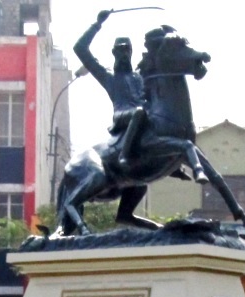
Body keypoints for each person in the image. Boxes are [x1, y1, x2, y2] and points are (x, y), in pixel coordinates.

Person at [74, 10, 208, 183]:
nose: (123, 53)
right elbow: (80, 49)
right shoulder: (108, 76)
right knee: (140, 112)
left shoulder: (139, 75)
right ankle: (124, 156)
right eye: (119, 50)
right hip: (124, 114)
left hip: (145, 115)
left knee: (161, 120)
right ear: (114, 52)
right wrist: (97, 24)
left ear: (131, 52)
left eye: (126, 49)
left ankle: (173, 163)